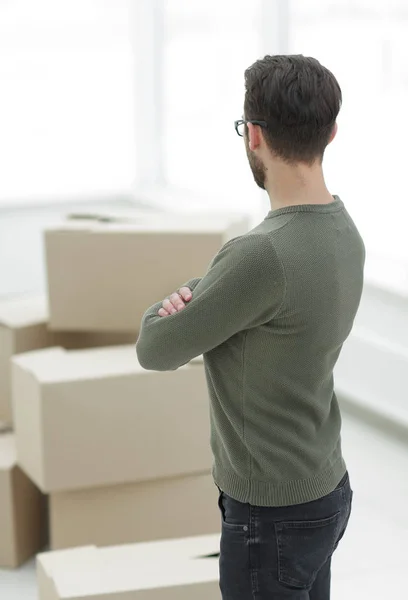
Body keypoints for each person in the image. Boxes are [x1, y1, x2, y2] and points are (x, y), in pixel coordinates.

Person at [136, 54, 365, 599]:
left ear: (254, 136)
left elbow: (155, 347)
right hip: (327, 489)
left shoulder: (259, 256)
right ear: (331, 132)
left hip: (271, 515)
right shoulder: (344, 230)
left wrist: (192, 294)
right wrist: (219, 282)